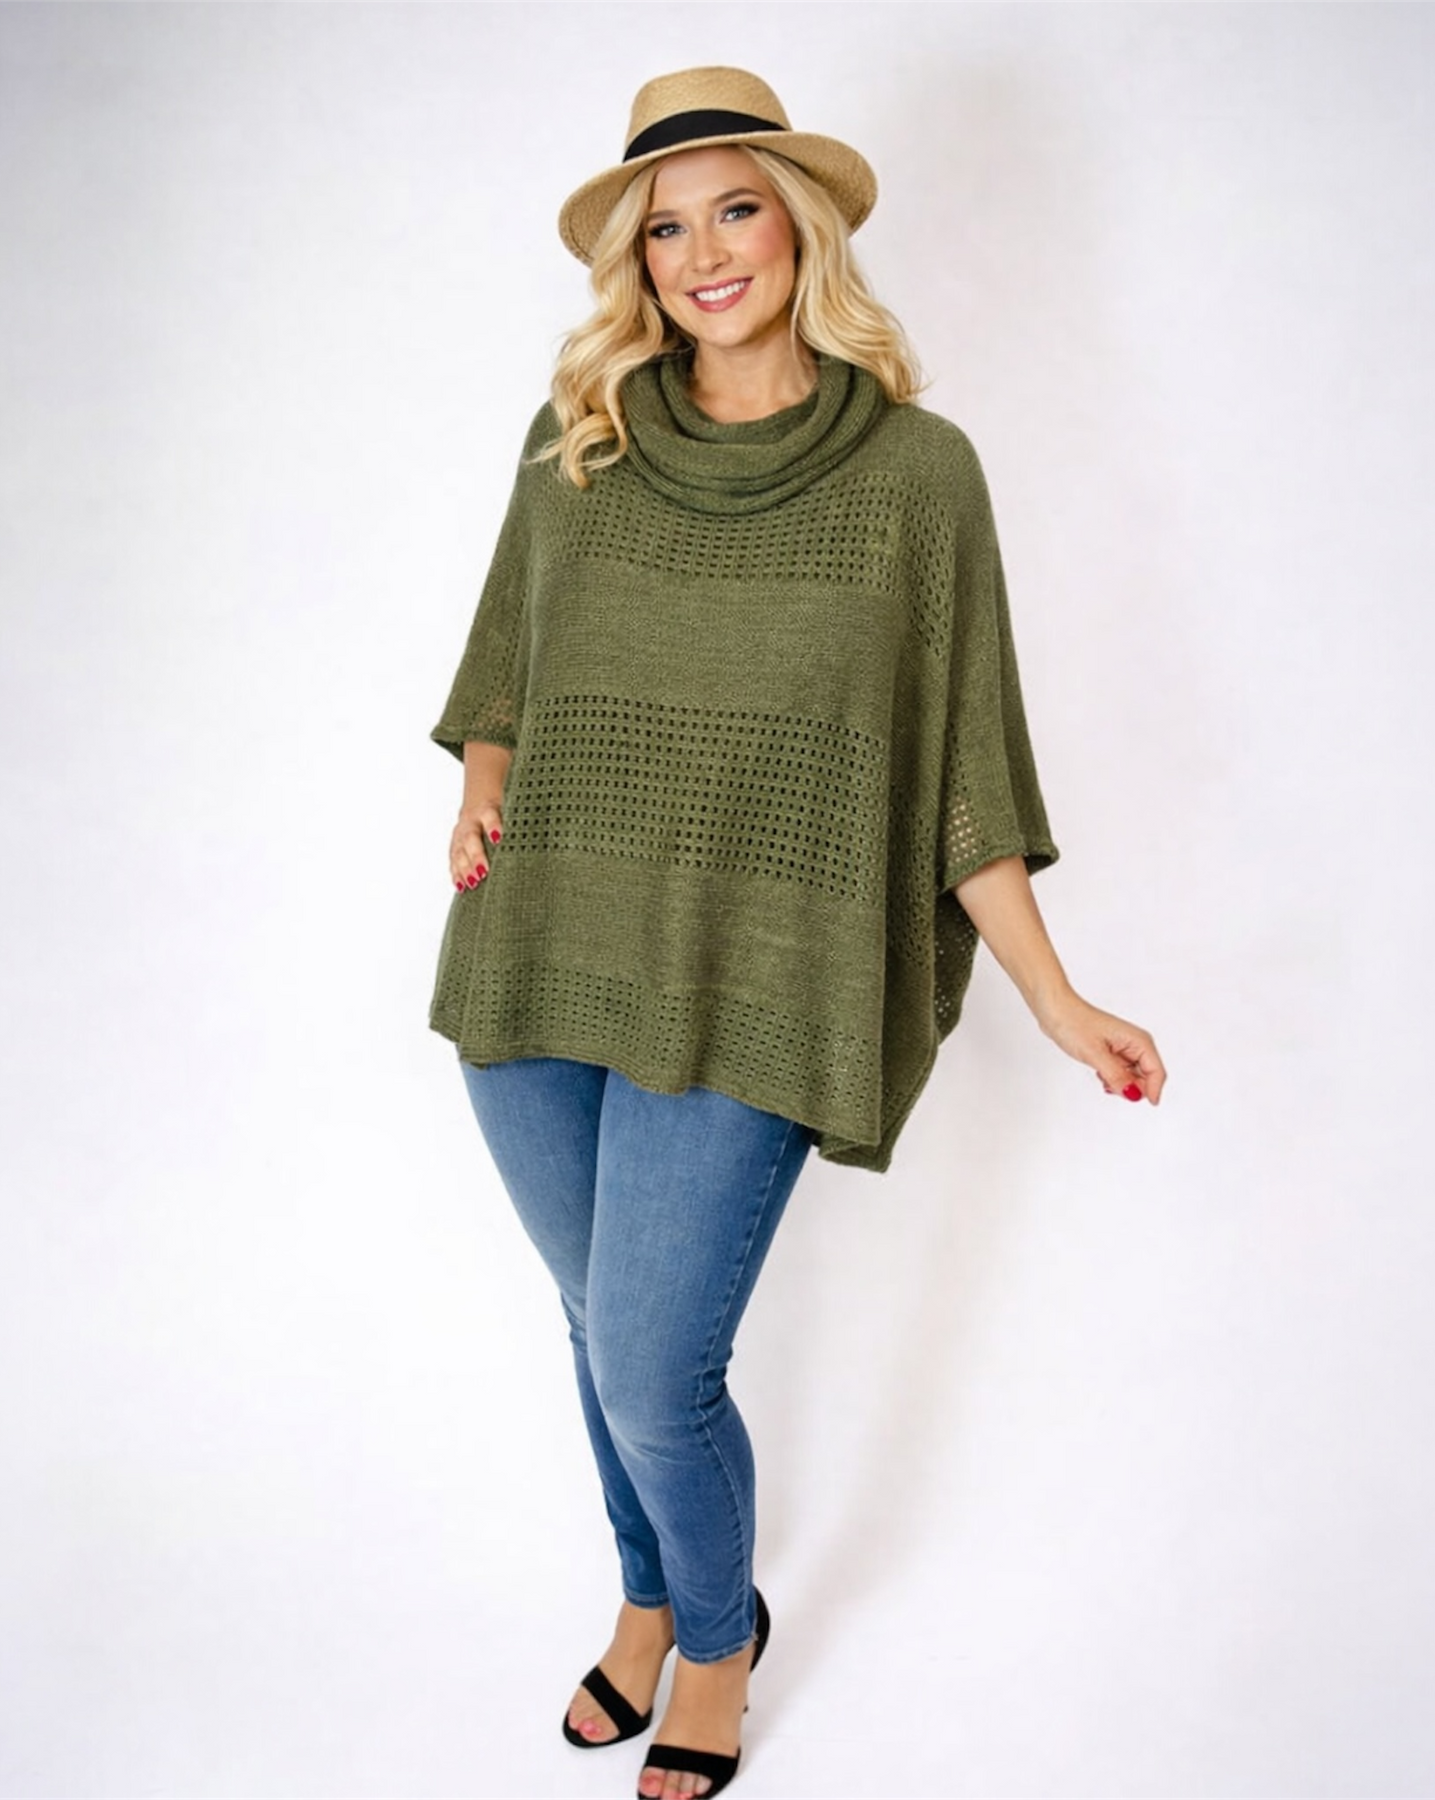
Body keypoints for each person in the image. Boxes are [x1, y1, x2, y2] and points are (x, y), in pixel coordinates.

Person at [427, 66, 1167, 1800]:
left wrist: (1057, 1000)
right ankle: (647, 1598)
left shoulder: (916, 478)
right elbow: (502, 682)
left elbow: (961, 772)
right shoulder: (578, 444)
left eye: (735, 210)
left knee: (651, 1365)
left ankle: (714, 1643)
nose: (702, 255)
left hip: (755, 978)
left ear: (802, 227)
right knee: (596, 1327)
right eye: (663, 230)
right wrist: (478, 789)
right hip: (542, 953)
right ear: (635, 264)